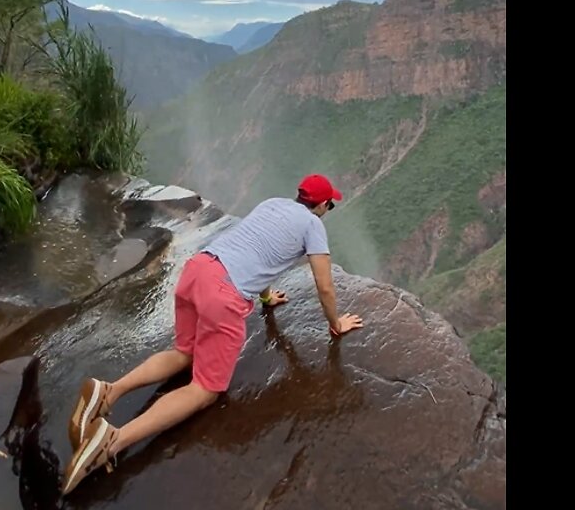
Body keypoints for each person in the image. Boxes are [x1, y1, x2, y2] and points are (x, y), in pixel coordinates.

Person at [59, 173, 365, 494]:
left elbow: (259, 253)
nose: (329, 208)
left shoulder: (273, 204)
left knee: (184, 352)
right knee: (205, 389)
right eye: (330, 203)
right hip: (224, 294)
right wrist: (336, 322)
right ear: (321, 204)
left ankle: (109, 391)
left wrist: (265, 297)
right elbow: (325, 286)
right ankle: (112, 441)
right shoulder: (313, 226)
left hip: (199, 270)